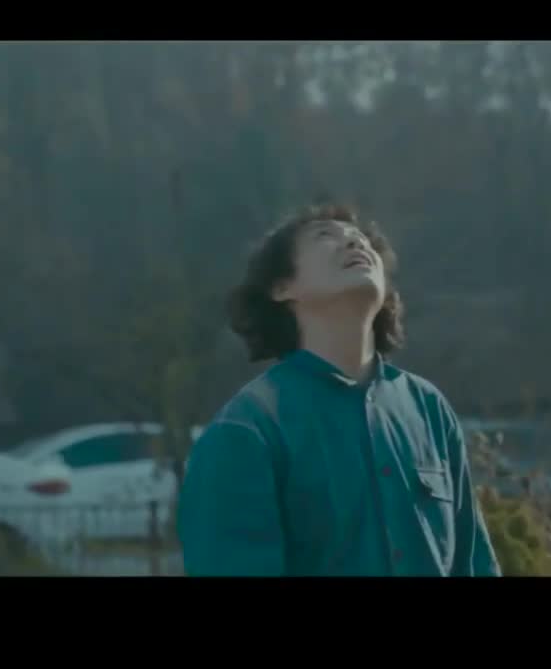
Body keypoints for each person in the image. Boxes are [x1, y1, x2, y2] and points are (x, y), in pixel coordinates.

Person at [177, 203, 500, 577]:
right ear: (282, 287)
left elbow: (474, 564)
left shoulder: (428, 409)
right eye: (326, 237)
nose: (355, 244)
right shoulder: (247, 430)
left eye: (362, 240)